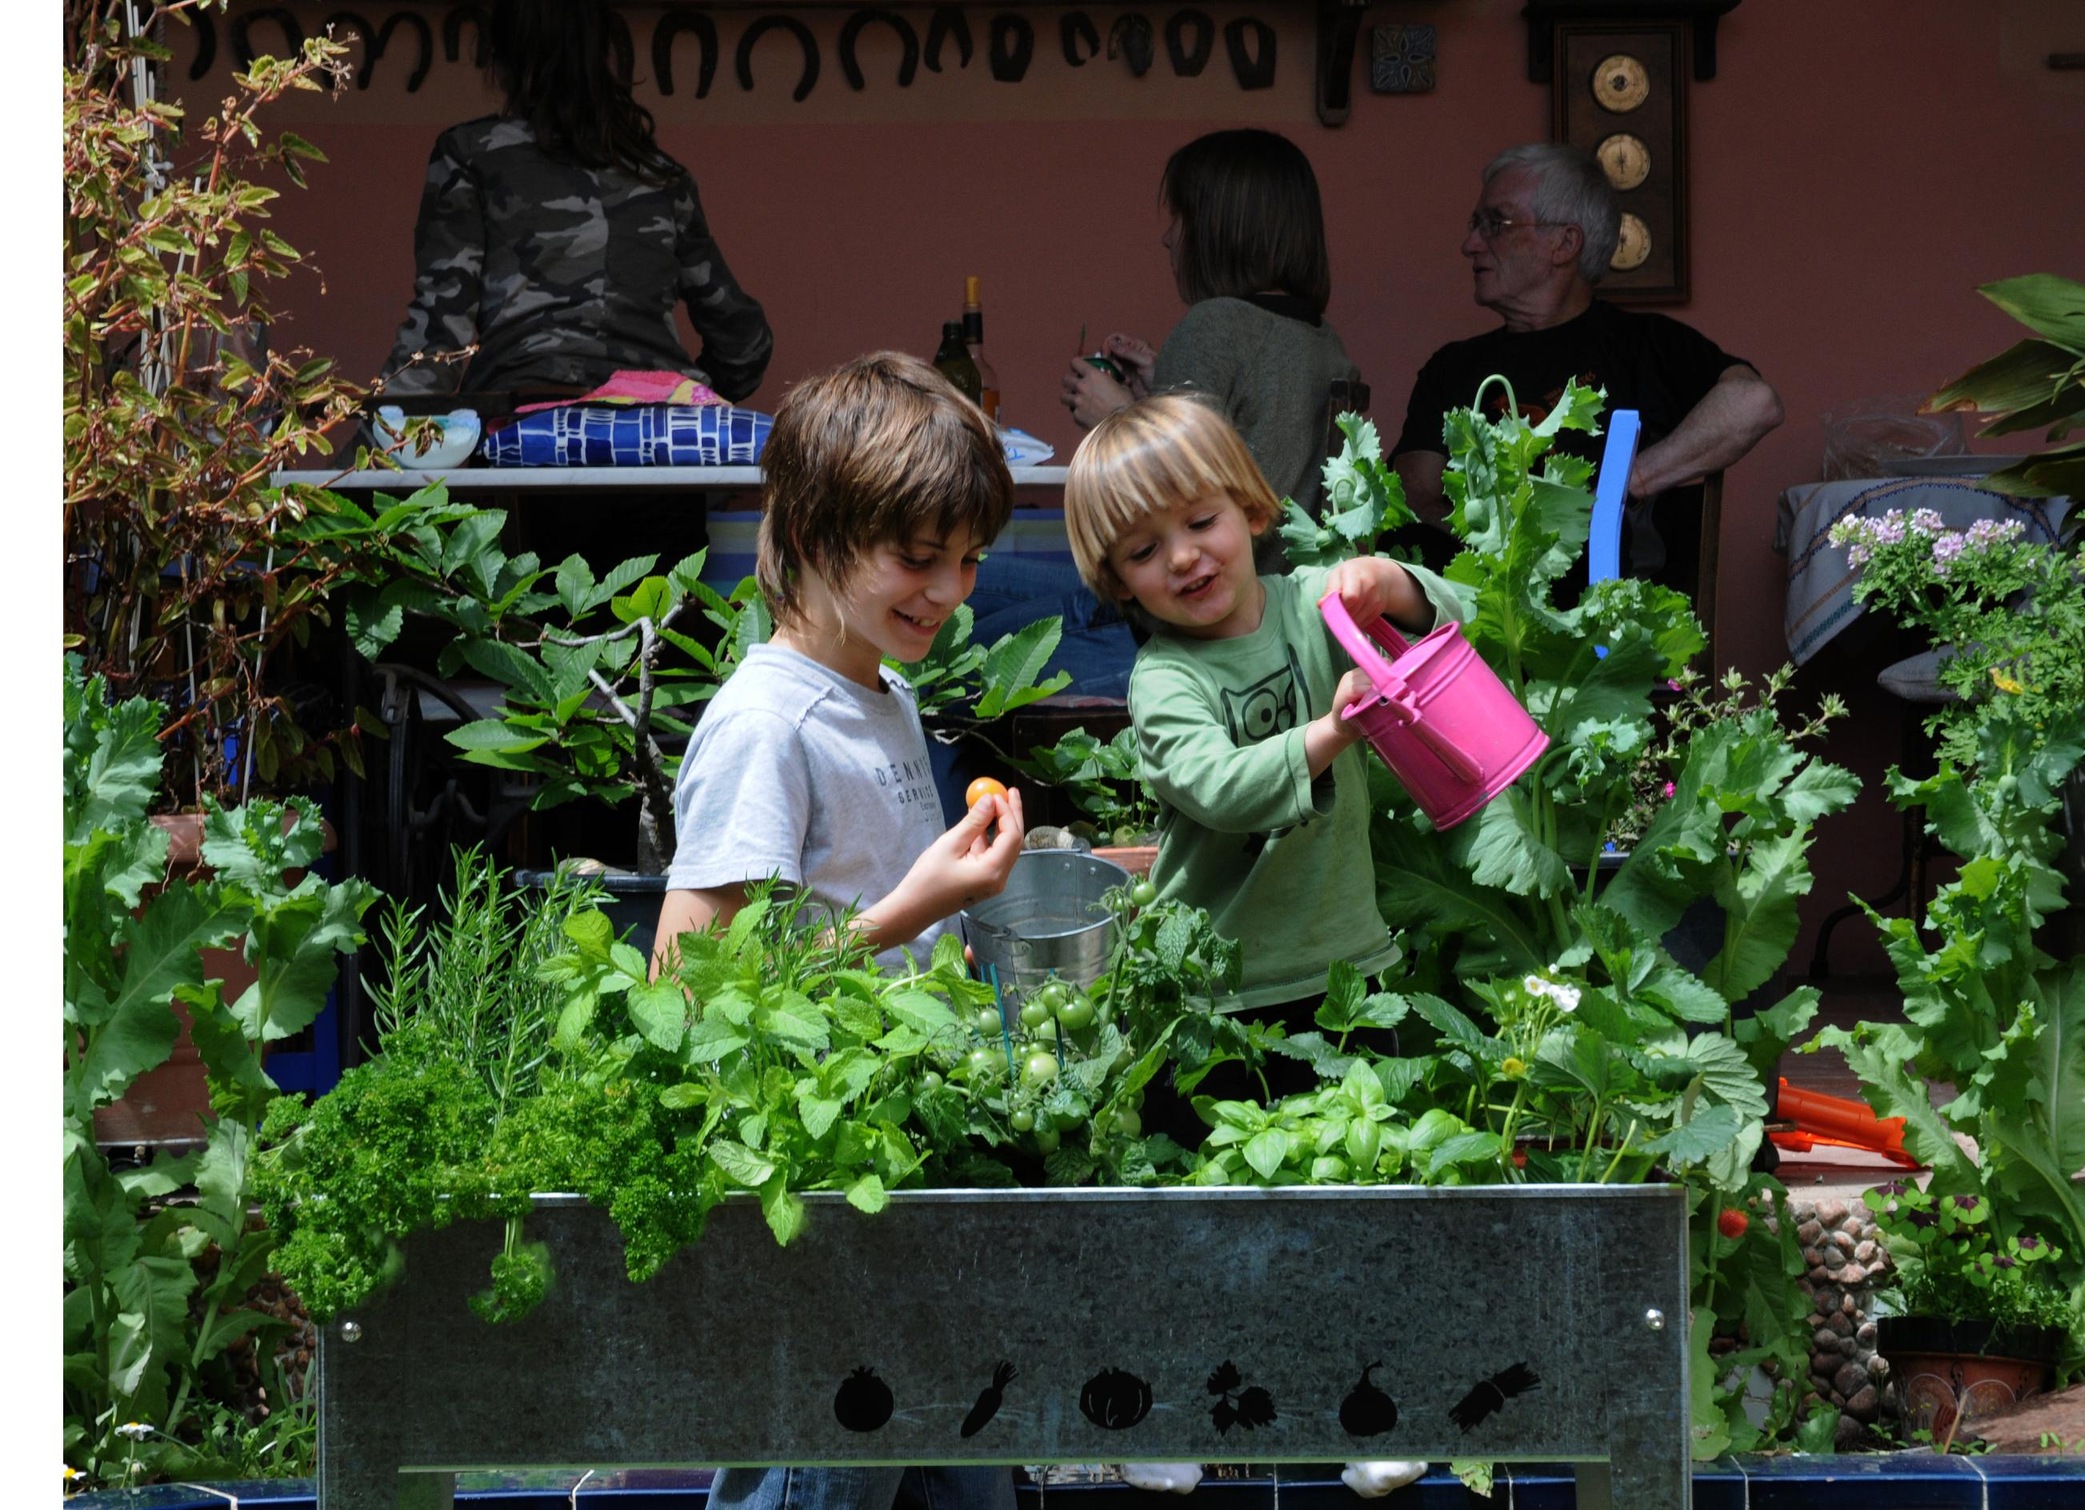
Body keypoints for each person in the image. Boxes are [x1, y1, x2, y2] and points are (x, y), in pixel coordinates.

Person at [654, 354, 1028, 1510]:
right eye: (918, 558)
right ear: (812, 532)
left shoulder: (880, 688)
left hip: (904, 1160)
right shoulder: (765, 724)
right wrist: (909, 912)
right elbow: (690, 986)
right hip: (819, 1188)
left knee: (948, 1452)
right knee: (826, 1458)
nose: (949, 590)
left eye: (966, 560)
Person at [1060, 395, 1450, 1500]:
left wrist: (1394, 586)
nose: (1183, 559)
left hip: (1345, 976)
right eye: (1144, 549)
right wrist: (1334, 730)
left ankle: (1370, 1409)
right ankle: (1151, 1408)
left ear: (1249, 506)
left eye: (1201, 522)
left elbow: (1440, 622)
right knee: (1190, 1212)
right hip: (1211, 993)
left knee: (1358, 1203)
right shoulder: (1164, 682)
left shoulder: (1308, 606)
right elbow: (1223, 790)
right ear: (1115, 580)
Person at [377, 0, 774, 574]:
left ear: (503, 58)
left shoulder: (470, 157)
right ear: (606, 54)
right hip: (661, 460)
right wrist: (681, 391)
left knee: (532, 649)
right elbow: (744, 339)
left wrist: (380, 439)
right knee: (653, 648)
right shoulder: (661, 178)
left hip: (527, 450)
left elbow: (441, 328)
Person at [1391, 142, 1783, 602]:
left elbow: (1755, 403)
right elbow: (1412, 497)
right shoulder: (1454, 366)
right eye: (1476, 224)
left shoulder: (1645, 345)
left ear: (1564, 243)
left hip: (1611, 627)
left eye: (1495, 223)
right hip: (1484, 618)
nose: (1469, 244)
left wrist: (1622, 485)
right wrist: (1510, 561)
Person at [1060, 129, 1362, 534]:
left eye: (1180, 217)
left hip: (1199, 592)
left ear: (1218, 229)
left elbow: (1173, 502)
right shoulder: (1323, 341)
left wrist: (1116, 418)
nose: (1168, 238)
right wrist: (1159, 390)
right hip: (1278, 591)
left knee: (988, 579)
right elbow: (1248, 441)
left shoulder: (1212, 327)